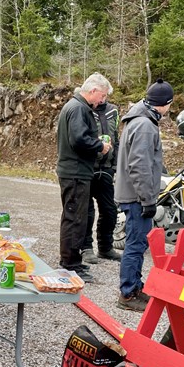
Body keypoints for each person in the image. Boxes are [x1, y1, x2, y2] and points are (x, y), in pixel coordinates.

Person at [115, 79, 174, 311]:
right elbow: (139, 165)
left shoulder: (139, 119)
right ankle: (128, 294)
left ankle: (135, 286)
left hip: (133, 194)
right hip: (137, 197)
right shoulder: (146, 125)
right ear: (165, 103)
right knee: (136, 244)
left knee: (137, 242)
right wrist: (148, 200)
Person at [56, 73, 113, 283]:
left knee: (74, 216)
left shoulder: (76, 106)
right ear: (93, 90)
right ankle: (70, 263)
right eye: (103, 96)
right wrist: (100, 145)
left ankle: (71, 259)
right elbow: (79, 139)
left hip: (74, 170)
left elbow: (78, 136)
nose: (103, 101)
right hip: (75, 172)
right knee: (75, 218)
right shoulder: (79, 108)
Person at [81, 97, 122, 264]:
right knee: (87, 211)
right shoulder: (83, 109)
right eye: (101, 95)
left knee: (110, 210)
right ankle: (86, 248)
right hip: (87, 168)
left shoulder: (113, 110)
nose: (103, 99)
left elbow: (116, 138)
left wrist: (116, 165)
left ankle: (105, 248)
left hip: (106, 169)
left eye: (105, 95)